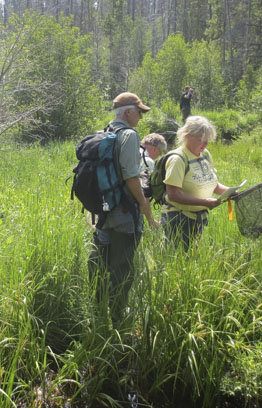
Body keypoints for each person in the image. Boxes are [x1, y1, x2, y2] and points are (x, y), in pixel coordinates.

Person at [89, 92, 159, 326]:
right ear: (128, 112)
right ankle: (119, 321)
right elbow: (131, 176)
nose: (140, 116)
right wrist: (144, 205)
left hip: (103, 213)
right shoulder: (128, 135)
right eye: (139, 112)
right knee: (122, 270)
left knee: (100, 266)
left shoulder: (105, 132)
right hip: (124, 215)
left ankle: (98, 315)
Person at [161, 115, 230, 251]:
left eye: (207, 140)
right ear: (187, 136)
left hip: (199, 219)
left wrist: (230, 191)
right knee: (176, 259)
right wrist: (205, 203)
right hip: (178, 219)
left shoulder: (205, 154)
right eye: (201, 140)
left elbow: (211, 183)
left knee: (192, 258)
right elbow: (173, 195)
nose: (205, 144)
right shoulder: (178, 159)